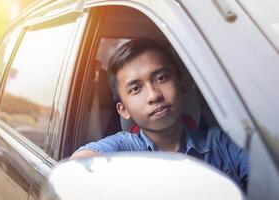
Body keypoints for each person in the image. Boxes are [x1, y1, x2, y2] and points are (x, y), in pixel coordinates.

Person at [71, 39, 249, 191]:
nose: (154, 95)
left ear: (183, 84)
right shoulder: (121, 151)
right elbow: (75, 171)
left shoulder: (221, 144)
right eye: (135, 89)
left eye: (161, 78)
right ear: (123, 109)